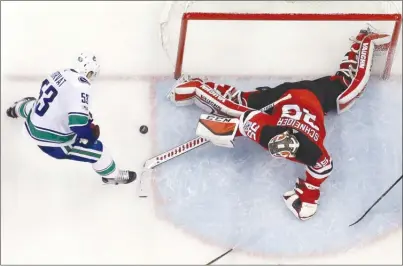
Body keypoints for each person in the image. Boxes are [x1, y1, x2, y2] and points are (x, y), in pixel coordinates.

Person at [167, 27, 390, 220]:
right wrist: (308, 195)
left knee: (350, 91)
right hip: (305, 97)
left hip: (297, 96)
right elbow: (240, 117)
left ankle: (366, 39)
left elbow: (242, 118)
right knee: (348, 90)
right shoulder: (271, 134)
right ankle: (197, 87)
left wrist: (226, 129)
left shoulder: (294, 144)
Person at [6, 52, 136, 185]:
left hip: (32, 123)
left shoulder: (61, 73)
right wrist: (91, 135)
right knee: (100, 152)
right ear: (90, 72)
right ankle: (113, 176)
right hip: (53, 143)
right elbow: (77, 126)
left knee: (37, 105)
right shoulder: (82, 85)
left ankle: (15, 109)